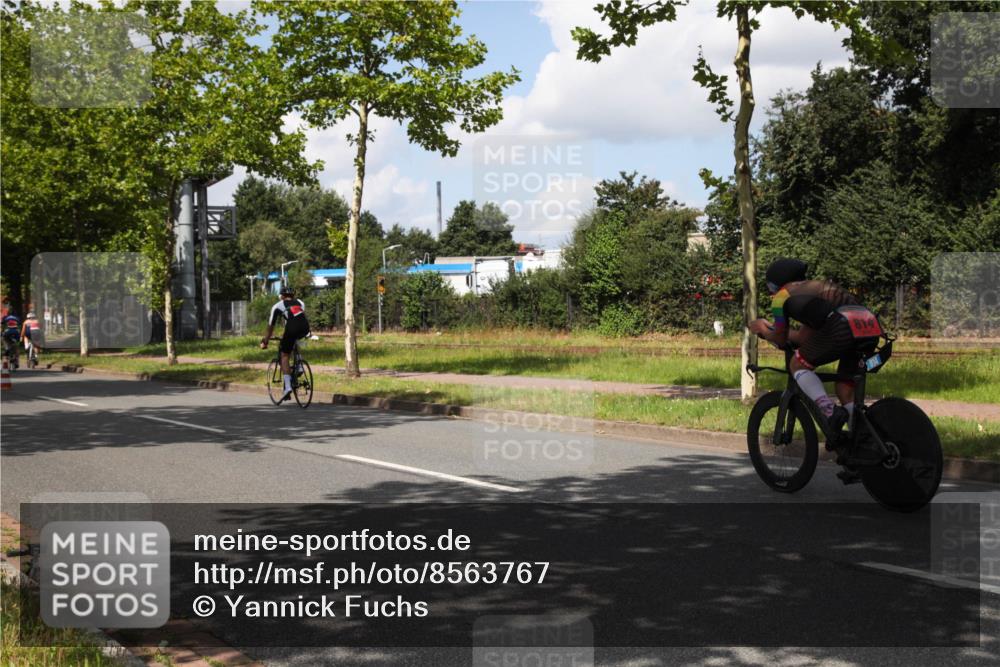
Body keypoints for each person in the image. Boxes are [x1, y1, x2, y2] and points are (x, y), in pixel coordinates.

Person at [749, 258, 884, 463]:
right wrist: (774, 332)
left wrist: (763, 328)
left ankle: (830, 413)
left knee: (797, 364)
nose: (771, 292)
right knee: (845, 390)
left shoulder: (782, 297)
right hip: (868, 326)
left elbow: (779, 337)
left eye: (771, 287)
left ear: (778, 284)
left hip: (841, 326)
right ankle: (863, 441)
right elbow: (803, 338)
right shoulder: (816, 289)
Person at [260, 286, 310, 402]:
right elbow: (296, 318)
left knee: (284, 355)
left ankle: (287, 387)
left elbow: (270, 327)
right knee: (295, 340)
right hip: (305, 327)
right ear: (293, 296)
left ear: (282, 296)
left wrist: (265, 340)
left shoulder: (277, 306)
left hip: (292, 329)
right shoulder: (300, 303)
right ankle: (300, 364)